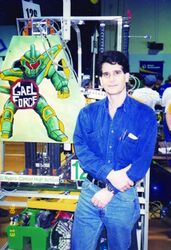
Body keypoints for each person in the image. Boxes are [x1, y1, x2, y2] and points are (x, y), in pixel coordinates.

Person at [71, 51, 157, 250]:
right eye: (106, 74)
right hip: (90, 193)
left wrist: (111, 190)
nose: (112, 79)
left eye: (117, 72)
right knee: (79, 246)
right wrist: (108, 174)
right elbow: (82, 150)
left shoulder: (144, 115)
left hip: (123, 196)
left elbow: (141, 162)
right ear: (100, 79)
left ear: (127, 77)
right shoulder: (87, 113)